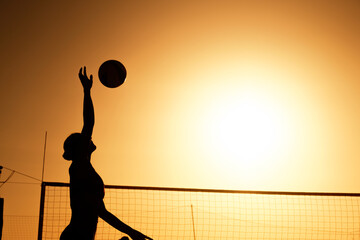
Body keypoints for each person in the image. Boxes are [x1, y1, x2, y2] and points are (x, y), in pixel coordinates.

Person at [60, 67, 152, 240]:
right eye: (85, 139)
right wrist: (87, 91)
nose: (89, 138)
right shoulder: (79, 167)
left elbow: (101, 211)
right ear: (80, 148)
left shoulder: (84, 167)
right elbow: (89, 123)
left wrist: (132, 233)